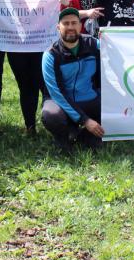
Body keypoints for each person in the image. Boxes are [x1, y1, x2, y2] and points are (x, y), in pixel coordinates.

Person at [0, 0, 58, 133]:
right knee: (27, 88)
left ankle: (50, 122)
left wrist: (63, 2)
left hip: (43, 48)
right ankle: (30, 126)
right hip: (19, 50)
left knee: (45, 86)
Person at [41, 8, 105, 152]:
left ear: (80, 26)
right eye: (66, 23)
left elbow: (115, 48)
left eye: (74, 23)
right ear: (58, 28)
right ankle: (64, 138)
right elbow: (57, 94)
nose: (70, 27)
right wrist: (85, 120)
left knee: (113, 110)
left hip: (88, 96)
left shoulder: (93, 44)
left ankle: (83, 136)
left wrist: (109, 37)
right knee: (51, 115)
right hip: (59, 101)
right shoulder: (50, 55)